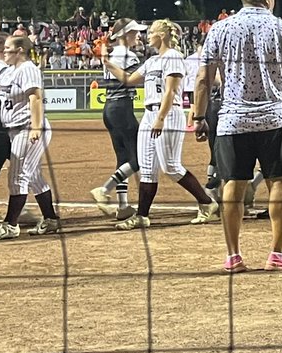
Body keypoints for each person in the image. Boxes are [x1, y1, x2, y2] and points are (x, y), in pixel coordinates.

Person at [192, 0, 282, 273]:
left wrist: (198, 116)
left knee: (232, 183)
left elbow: (204, 80)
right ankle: (277, 253)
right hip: (275, 118)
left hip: (233, 119)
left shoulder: (220, 29)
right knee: (280, 183)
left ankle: (233, 255)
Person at [103, 20, 215, 230]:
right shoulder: (153, 60)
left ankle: (207, 204)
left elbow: (171, 91)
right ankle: (142, 215)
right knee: (147, 169)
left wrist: (161, 118)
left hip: (168, 113)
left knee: (171, 167)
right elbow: (128, 79)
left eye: (152, 32)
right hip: (149, 113)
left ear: (162, 36)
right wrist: (107, 63)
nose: (148, 36)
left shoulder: (173, 56)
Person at [0, 36, 61, 239]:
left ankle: (10, 225)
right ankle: (50, 219)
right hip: (15, 130)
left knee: (17, 177)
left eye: (8, 48)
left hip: (27, 128)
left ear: (20, 50)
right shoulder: (11, 71)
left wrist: (36, 127)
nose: (4, 52)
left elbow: (35, 98)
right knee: (33, 177)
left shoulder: (27, 69)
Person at [90, 19, 147, 222]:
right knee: (139, 158)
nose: (138, 36)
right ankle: (104, 189)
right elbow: (133, 79)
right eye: (135, 32)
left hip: (111, 108)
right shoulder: (126, 55)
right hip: (122, 108)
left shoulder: (114, 54)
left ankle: (123, 205)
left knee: (123, 158)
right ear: (125, 34)